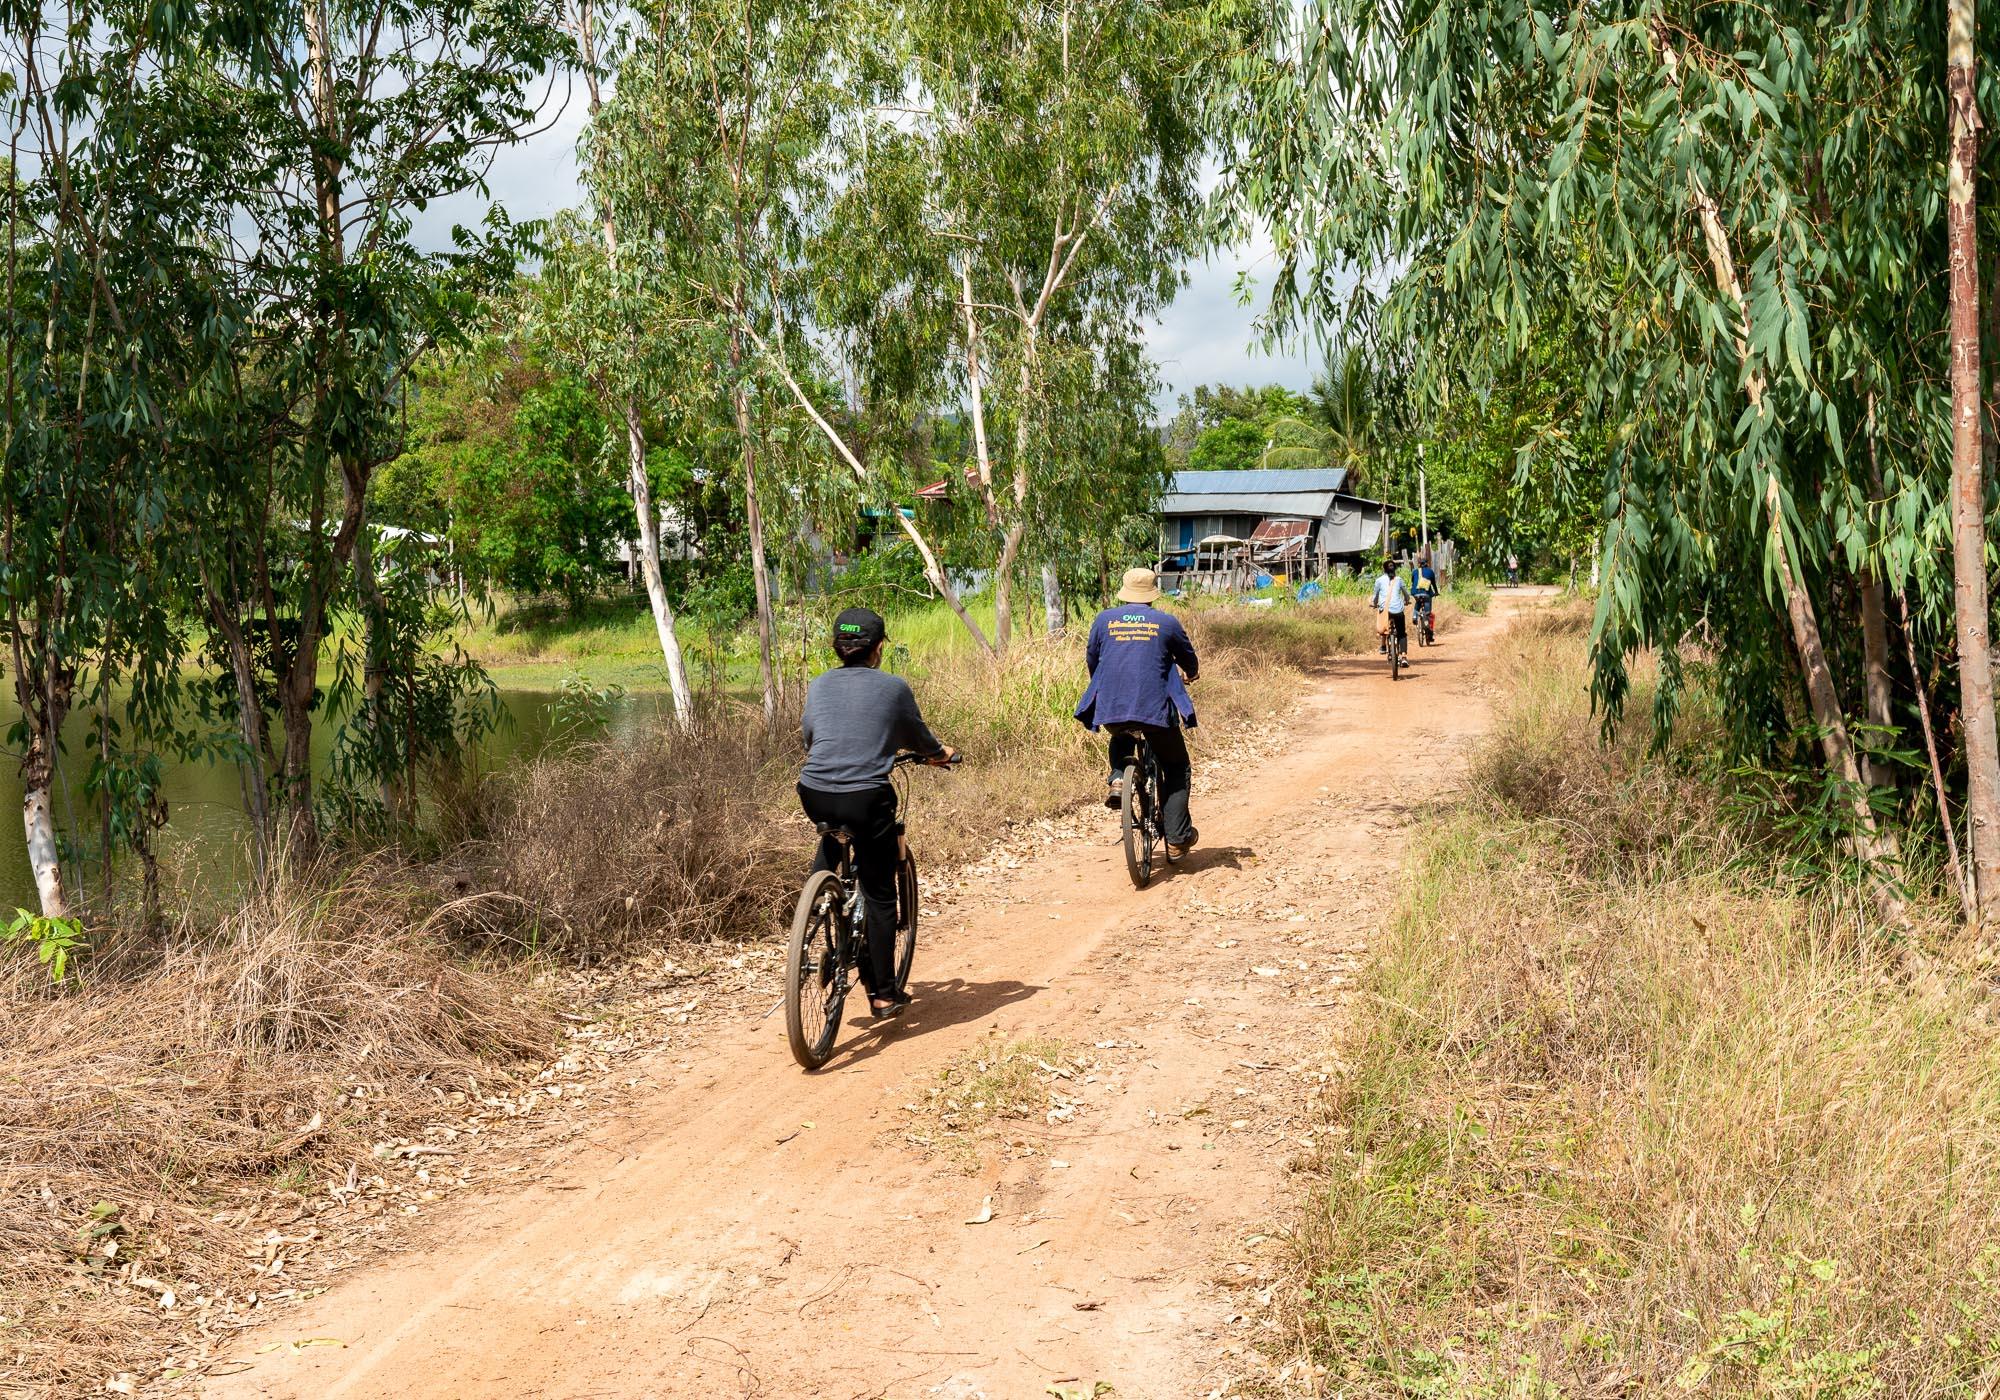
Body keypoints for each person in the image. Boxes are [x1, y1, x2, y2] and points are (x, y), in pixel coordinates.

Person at [798, 607, 956, 1020]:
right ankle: (883, 993)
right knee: (881, 893)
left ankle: (818, 895)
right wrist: (941, 756)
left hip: (813, 790)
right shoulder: (893, 687)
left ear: (837, 646)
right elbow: (920, 738)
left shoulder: (819, 685)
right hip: (867, 797)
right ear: (879, 647)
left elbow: (811, 736)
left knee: (834, 830)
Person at [1074, 567, 1200, 856]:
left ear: (1125, 591)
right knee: (1176, 767)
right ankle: (1179, 836)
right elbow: (1188, 659)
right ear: (1152, 594)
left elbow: (1093, 659)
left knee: (1121, 737)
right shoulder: (1165, 623)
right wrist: (1190, 674)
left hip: (1112, 705)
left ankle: (1119, 777)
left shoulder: (1104, 620)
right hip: (1154, 710)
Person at [1372, 555, 1409, 655]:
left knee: (1384, 625)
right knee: (1402, 633)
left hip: (1385, 610)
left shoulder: (1379, 580)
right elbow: (1406, 594)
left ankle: (1383, 646)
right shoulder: (1399, 580)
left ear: (1384, 569)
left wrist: (1374, 604)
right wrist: (1407, 601)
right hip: (1398, 611)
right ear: (1395, 569)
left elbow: (1375, 596)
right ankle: (1404, 656)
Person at [1411, 551, 1439, 639]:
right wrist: (1436, 592)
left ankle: (1415, 616)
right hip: (1427, 594)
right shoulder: (1430, 572)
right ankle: (1427, 624)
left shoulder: (1415, 571)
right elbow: (1433, 584)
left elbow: (1413, 581)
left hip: (1416, 593)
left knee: (1417, 604)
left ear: (1419, 564)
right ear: (1427, 564)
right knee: (1428, 613)